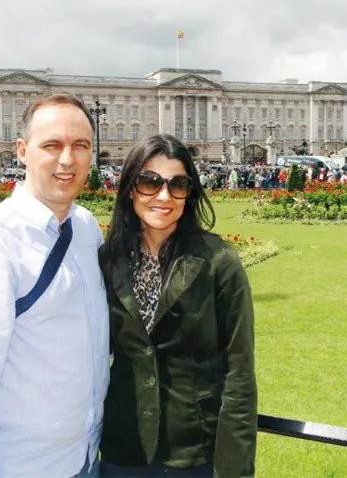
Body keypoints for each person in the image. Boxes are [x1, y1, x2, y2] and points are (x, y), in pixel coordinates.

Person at [0, 92, 109, 478]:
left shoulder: (85, 228)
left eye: (80, 145)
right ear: (21, 151)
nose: (68, 159)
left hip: (84, 458)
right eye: (52, 145)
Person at [98, 134, 257, 477]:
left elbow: (239, 376)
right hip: (123, 449)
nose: (164, 196)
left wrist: (235, 471)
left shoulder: (218, 261)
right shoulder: (108, 259)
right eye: (149, 182)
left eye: (178, 184)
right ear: (129, 188)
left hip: (193, 452)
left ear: (190, 193)